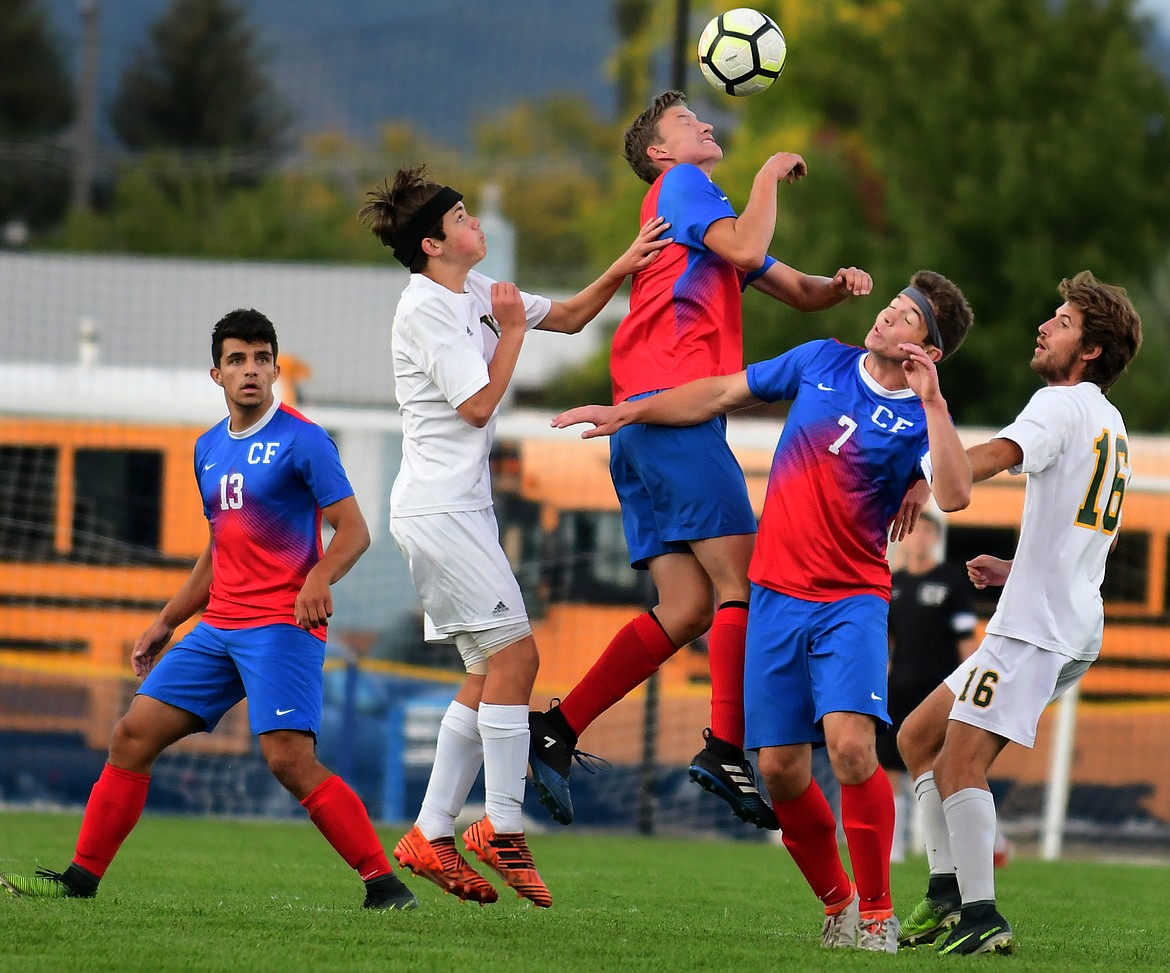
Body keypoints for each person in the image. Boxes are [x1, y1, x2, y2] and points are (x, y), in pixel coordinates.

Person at [554, 271, 975, 951]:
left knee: (852, 746)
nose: (886, 319)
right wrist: (631, 409)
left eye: (905, 319)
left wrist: (933, 409)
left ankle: (876, 915)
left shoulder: (919, 417)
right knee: (778, 769)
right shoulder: (821, 360)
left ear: (926, 350)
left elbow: (955, 495)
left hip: (851, 599)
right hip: (775, 596)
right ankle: (836, 903)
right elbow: (720, 391)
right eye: (891, 307)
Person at [528, 89, 875, 832]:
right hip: (674, 415)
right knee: (742, 578)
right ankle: (724, 745)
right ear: (659, 153)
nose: (706, 124)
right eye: (689, 122)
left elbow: (794, 289)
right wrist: (770, 174)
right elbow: (750, 247)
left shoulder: (701, 217)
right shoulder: (687, 188)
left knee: (687, 607)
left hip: (640, 424)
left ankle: (557, 730)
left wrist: (837, 287)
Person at [0, 309, 418, 910]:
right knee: (130, 735)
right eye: (237, 360)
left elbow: (353, 531)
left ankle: (385, 886)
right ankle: (79, 881)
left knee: (289, 760)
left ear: (275, 367)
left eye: (261, 359)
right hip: (218, 626)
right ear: (216, 374)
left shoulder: (305, 440)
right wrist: (167, 621)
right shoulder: (208, 449)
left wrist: (319, 577)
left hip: (283, 625)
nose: (250, 370)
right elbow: (217, 552)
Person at [357, 166, 669, 908]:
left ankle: (430, 833)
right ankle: (500, 825)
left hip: (459, 508)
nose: (474, 224)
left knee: (485, 671)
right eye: (461, 217)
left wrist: (622, 267)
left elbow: (571, 317)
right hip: (441, 509)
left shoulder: (473, 291)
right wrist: (516, 332)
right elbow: (476, 404)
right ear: (434, 243)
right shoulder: (427, 309)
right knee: (519, 656)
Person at [896, 271, 1143, 955]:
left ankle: (981, 913)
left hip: (1035, 626)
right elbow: (1085, 529)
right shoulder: (1108, 421)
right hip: (1064, 618)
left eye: (1061, 320)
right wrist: (1018, 568)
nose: (1044, 326)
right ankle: (947, 894)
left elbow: (983, 465)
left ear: (1090, 349)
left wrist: (927, 439)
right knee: (919, 738)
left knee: (957, 763)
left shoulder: (1059, 405)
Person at [880, 508, 978, 863]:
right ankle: (892, 850)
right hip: (898, 688)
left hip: (938, 691)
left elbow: (966, 638)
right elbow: (884, 640)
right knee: (889, 766)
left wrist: (971, 685)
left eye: (926, 532)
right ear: (904, 538)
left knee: (935, 767)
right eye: (914, 532)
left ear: (935, 539)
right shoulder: (893, 584)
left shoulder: (951, 581)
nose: (919, 538)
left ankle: (930, 844)